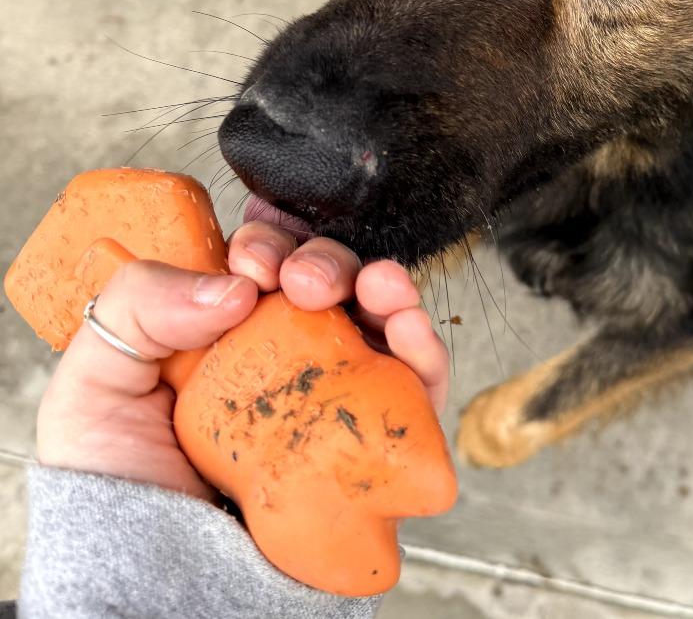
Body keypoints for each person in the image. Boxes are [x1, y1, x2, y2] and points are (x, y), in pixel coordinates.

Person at [14, 221, 450, 619]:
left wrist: (139, 525)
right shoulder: (190, 420)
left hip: (304, 387)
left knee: (300, 274)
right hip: (310, 409)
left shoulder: (178, 421)